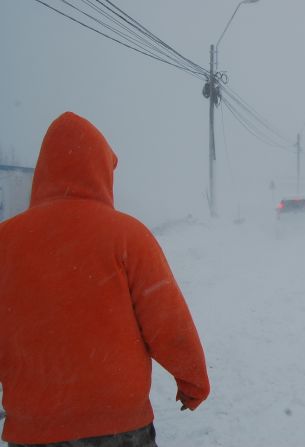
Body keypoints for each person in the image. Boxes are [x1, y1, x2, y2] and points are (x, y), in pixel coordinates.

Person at [0, 112, 210, 446]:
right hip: (118, 427)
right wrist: (193, 382)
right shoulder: (127, 236)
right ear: (99, 170)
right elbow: (168, 321)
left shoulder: (5, 242)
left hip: (32, 430)